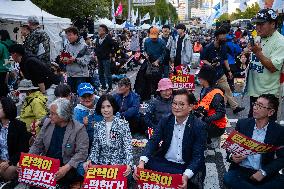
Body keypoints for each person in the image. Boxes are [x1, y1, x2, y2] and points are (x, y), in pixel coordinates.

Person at [134, 89, 207, 189]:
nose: (177, 107)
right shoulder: (166, 120)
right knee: (142, 168)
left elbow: (197, 156)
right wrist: (141, 162)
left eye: (181, 104)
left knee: (190, 182)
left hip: (185, 165)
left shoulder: (199, 126)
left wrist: (186, 176)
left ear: (190, 107)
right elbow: (154, 140)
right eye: (174, 103)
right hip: (165, 162)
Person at [25, 98, 89, 189]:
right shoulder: (48, 123)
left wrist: (66, 168)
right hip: (47, 164)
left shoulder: (78, 128)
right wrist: (26, 160)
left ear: (63, 116)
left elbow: (82, 152)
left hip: (66, 166)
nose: (50, 116)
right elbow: (37, 145)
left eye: (53, 114)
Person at [223, 94, 284, 189]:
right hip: (242, 170)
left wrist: (264, 172)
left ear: (270, 112)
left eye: (259, 106)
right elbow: (230, 147)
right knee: (228, 178)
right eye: (255, 104)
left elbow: (282, 158)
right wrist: (232, 157)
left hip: (264, 171)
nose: (255, 108)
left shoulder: (279, 131)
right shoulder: (242, 124)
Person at [79, 94, 133, 178]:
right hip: (102, 163)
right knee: (83, 168)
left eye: (108, 106)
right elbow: (95, 147)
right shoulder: (98, 126)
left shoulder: (123, 124)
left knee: (128, 175)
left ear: (113, 107)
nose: (106, 110)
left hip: (118, 163)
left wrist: (129, 164)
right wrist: (90, 160)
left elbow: (128, 146)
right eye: (103, 107)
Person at [247, 9, 284, 119]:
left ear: (273, 24)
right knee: (252, 127)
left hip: (268, 94)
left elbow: (273, 67)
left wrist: (258, 52)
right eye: (256, 23)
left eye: (261, 24)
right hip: (254, 91)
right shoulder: (258, 37)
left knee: (265, 129)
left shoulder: (280, 42)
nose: (257, 27)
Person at [200, 28, 245, 114]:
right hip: (209, 74)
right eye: (222, 35)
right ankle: (203, 107)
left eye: (225, 35)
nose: (225, 37)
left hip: (220, 73)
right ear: (216, 37)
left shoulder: (224, 46)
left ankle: (235, 107)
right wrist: (210, 64)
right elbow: (203, 59)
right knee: (207, 91)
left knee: (227, 89)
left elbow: (225, 59)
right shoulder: (208, 47)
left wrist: (229, 71)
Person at [0, 97, 30, 188]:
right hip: (1, 160)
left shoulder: (19, 126)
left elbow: (23, 150)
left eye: (0, 107)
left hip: (13, 162)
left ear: (7, 108)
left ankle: (8, 183)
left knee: (6, 171)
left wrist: (9, 162)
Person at [194, 65, 226, 146]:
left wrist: (204, 119)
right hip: (208, 121)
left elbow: (221, 113)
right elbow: (203, 104)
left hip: (216, 126)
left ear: (206, 78)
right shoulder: (204, 88)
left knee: (193, 128)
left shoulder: (216, 94)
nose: (199, 78)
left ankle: (204, 144)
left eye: (200, 77)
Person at [74, 83, 102, 148]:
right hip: (89, 145)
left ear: (94, 95)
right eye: (84, 96)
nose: (87, 99)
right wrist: (83, 126)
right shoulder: (77, 112)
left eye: (89, 95)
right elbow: (77, 135)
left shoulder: (102, 103)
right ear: (79, 97)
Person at [63, 26, 91, 94]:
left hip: (80, 75)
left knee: (81, 95)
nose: (68, 37)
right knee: (71, 95)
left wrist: (75, 60)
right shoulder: (67, 46)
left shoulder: (84, 46)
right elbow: (64, 56)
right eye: (67, 35)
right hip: (70, 75)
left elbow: (87, 61)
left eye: (70, 35)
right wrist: (63, 59)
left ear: (76, 35)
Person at [144, 27, 166, 96]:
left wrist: (158, 61)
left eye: (155, 37)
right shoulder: (147, 41)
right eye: (152, 37)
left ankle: (158, 94)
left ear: (158, 35)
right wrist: (146, 54)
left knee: (158, 79)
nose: (153, 38)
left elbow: (164, 53)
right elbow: (144, 50)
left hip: (158, 63)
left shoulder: (162, 42)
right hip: (149, 62)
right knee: (148, 78)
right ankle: (150, 94)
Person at [94, 24, 114, 93]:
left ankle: (110, 87)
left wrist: (111, 54)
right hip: (99, 58)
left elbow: (114, 46)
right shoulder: (97, 38)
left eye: (100, 29)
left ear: (104, 31)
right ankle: (103, 86)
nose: (98, 30)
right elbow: (96, 47)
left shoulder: (108, 38)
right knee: (100, 73)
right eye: (98, 29)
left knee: (107, 73)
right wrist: (95, 55)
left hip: (106, 58)